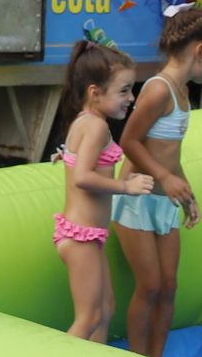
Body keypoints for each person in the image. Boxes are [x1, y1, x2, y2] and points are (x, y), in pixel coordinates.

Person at [112, 3, 202, 357]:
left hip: (163, 203)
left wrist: (187, 193)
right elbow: (129, 140)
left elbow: (170, 154)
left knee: (170, 287)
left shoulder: (183, 93)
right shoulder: (158, 90)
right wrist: (163, 178)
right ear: (200, 50)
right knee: (150, 285)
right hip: (138, 200)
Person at [53, 38, 156, 341]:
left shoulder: (85, 121)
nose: (132, 98)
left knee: (106, 309)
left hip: (89, 235)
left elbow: (78, 160)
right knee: (89, 317)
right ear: (95, 93)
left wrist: (65, 156)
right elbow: (83, 177)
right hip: (80, 236)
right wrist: (126, 186)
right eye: (124, 90)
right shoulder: (96, 126)